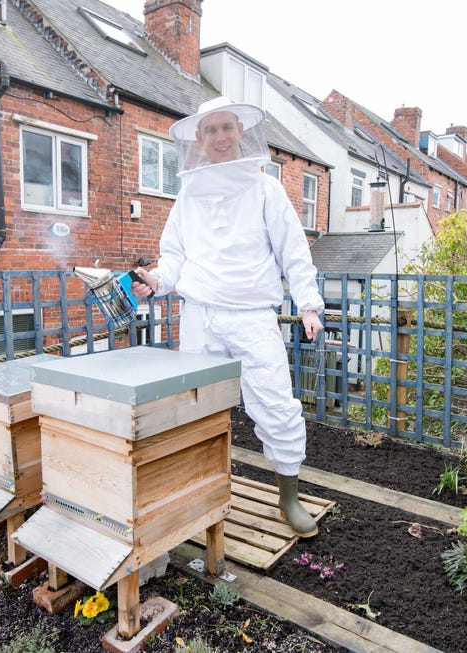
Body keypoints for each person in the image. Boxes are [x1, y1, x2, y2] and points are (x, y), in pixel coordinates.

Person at [130, 96, 325, 537]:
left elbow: (293, 250)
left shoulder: (266, 189)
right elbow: (174, 258)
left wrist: (308, 305)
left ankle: (288, 497)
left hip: (253, 316)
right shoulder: (187, 197)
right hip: (199, 315)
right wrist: (155, 281)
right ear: (198, 138)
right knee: (193, 409)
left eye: (226, 128)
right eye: (211, 130)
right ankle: (195, 494)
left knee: (275, 403)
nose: (219, 137)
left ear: (240, 132)